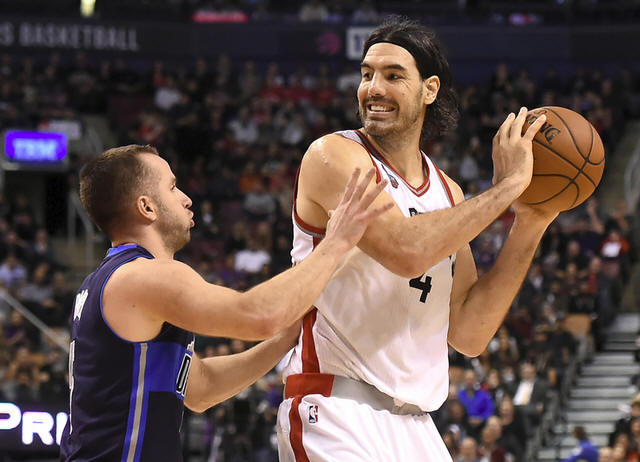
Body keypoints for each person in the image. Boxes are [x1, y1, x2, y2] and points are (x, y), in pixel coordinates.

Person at [277, 17, 555, 462]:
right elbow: (406, 251)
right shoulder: (334, 155)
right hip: (335, 409)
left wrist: (532, 220)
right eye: (367, 74)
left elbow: (469, 333)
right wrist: (506, 189)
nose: (373, 88)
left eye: (393, 76)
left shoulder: (448, 193)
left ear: (430, 89)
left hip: (417, 428)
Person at [59, 144, 391, 461]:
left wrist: (285, 339)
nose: (187, 198)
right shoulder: (143, 276)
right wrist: (336, 242)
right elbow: (258, 315)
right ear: (147, 207)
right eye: (172, 188)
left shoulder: (108, 282)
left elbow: (202, 389)